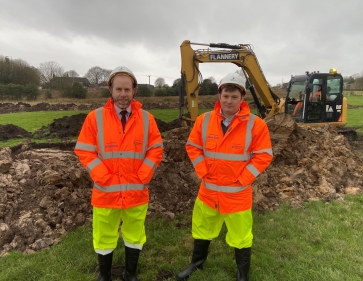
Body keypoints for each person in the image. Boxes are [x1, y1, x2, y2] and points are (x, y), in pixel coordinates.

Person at [176, 73, 273, 281]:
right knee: (201, 230)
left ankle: (242, 274)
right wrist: (203, 171)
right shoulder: (204, 120)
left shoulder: (256, 125)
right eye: (225, 95)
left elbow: (264, 155)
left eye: (234, 97)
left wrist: (243, 178)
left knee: (241, 237)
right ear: (219, 95)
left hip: (237, 193)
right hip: (209, 191)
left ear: (242, 98)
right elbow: (193, 147)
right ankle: (196, 264)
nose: (229, 101)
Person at [74, 66, 163, 281]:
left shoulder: (147, 118)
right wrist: (103, 177)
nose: (123, 94)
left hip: (136, 191)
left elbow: (156, 149)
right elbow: (84, 150)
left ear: (135, 90)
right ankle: (105, 276)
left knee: (135, 235)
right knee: (104, 236)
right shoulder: (95, 118)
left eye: (127, 90)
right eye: (118, 89)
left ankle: (130, 274)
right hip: (106, 192)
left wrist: (143, 176)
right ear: (110, 90)